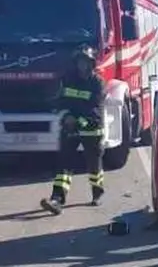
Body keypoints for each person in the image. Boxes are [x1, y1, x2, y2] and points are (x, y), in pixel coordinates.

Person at [40, 45, 107, 215]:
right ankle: (57, 200)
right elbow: (60, 101)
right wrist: (66, 116)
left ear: (91, 64)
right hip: (70, 126)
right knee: (64, 164)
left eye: (85, 62)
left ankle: (97, 193)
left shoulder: (97, 83)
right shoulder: (68, 80)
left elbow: (95, 110)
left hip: (91, 129)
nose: (81, 66)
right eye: (79, 62)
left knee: (94, 167)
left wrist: (77, 121)